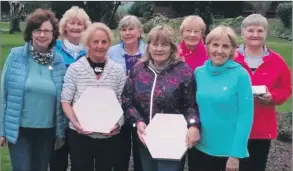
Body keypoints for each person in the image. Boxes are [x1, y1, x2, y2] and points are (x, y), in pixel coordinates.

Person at [121, 25, 201, 171]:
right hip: (146, 137)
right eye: (155, 44)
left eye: (164, 44)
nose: (159, 49)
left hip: (173, 139)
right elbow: (127, 100)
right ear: (148, 46)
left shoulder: (183, 71)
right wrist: (137, 121)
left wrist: (194, 125)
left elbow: (191, 105)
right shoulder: (138, 70)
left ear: (172, 47)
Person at [0, 9, 66, 171]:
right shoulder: (15, 56)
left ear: (53, 34)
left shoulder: (58, 61)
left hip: (47, 131)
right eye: (38, 30)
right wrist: (1, 130)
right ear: (30, 33)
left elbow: (64, 97)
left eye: (46, 31)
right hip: (20, 130)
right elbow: (3, 94)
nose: (42, 35)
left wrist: (61, 131)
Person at [60, 22, 127, 171]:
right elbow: (65, 101)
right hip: (80, 136)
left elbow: (124, 102)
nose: (100, 46)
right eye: (95, 41)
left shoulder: (117, 70)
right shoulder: (75, 69)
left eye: (104, 42)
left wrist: (118, 124)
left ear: (109, 44)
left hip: (109, 137)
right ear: (88, 43)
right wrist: (76, 123)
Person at [190, 25, 254, 171]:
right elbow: (192, 107)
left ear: (232, 50)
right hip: (200, 148)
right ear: (207, 47)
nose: (219, 51)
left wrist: (235, 155)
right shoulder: (199, 73)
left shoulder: (241, 75)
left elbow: (245, 117)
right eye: (215, 45)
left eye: (225, 46)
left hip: (227, 153)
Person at [234, 14, 292, 171]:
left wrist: (272, 97)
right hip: (232, 125)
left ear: (266, 33)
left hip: (261, 127)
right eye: (250, 30)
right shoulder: (231, 57)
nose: (255, 35)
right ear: (242, 32)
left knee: (255, 167)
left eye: (260, 31)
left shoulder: (276, 60)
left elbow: (286, 88)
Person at [50, 6, 91, 171]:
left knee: (80, 161)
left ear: (85, 27)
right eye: (71, 23)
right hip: (57, 112)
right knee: (57, 160)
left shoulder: (91, 50)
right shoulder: (54, 49)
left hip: (82, 112)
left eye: (79, 24)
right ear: (64, 26)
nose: (75, 27)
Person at [107, 15, 146, 171]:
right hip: (118, 106)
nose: (127, 32)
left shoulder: (149, 50)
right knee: (119, 152)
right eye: (123, 29)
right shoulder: (111, 52)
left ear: (139, 31)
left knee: (141, 150)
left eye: (131, 29)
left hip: (142, 108)